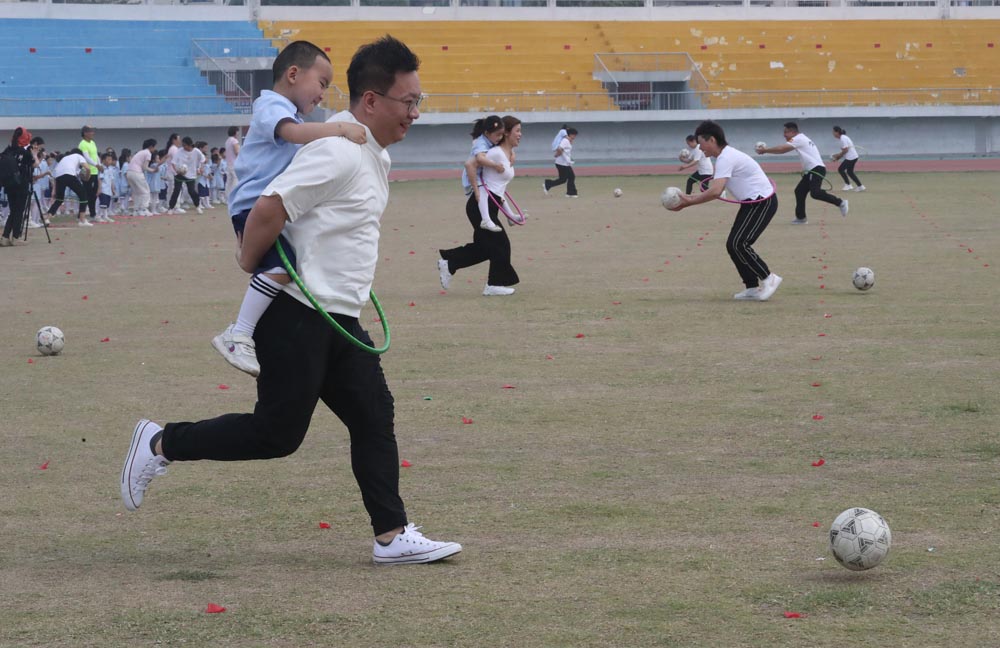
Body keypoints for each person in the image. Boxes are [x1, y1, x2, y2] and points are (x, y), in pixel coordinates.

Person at [120, 34, 461, 566]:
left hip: (340, 318)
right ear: (372, 100)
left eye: (419, 101)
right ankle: (161, 442)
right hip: (298, 314)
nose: (415, 113)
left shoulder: (372, 155)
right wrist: (249, 259)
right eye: (409, 101)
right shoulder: (337, 150)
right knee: (277, 434)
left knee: (374, 415)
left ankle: (391, 536)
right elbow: (269, 207)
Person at [211, 40, 367, 378]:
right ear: (293, 74)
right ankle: (238, 333)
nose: (323, 94)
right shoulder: (272, 106)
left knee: (283, 266)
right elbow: (295, 134)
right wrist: (340, 128)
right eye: (322, 83)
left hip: (267, 205)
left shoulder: (287, 111)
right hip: (254, 204)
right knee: (281, 268)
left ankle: (248, 329)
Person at [669, 120, 782, 302]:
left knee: (739, 244)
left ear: (712, 140)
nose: (700, 148)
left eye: (701, 143)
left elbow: (715, 191)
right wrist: (687, 199)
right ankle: (751, 288)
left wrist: (687, 202)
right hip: (751, 203)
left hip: (762, 202)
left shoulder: (726, 158)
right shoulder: (725, 157)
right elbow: (715, 189)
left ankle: (769, 278)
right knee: (733, 244)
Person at [439, 115, 522, 297]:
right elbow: (470, 164)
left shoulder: (504, 154)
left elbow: (498, 188)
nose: (520, 134)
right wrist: (476, 190)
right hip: (479, 204)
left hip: (490, 204)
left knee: (486, 247)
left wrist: (510, 215)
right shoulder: (494, 153)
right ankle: (494, 284)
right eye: (517, 131)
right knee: (501, 244)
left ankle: (451, 262)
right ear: (506, 133)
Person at [756, 122, 847, 224]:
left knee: (815, 193)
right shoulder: (801, 138)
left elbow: (782, 149)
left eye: (786, 132)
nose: (784, 135)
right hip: (811, 170)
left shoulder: (798, 138)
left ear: (792, 132)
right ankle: (801, 218)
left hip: (816, 169)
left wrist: (765, 150)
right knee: (799, 191)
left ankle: (840, 202)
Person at [460, 114, 505, 232]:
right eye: (498, 135)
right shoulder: (481, 143)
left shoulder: (490, 142)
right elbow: (479, 159)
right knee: (482, 194)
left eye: (502, 135)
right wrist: (495, 166)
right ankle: (486, 220)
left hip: (481, 176)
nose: (500, 138)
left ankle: (511, 216)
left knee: (499, 193)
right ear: (487, 133)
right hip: (473, 178)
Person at [0, 128, 37, 246]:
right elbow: (35, 164)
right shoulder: (24, 152)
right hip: (21, 184)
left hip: (9, 184)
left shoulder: (7, 150)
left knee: (13, 211)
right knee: (19, 210)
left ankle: (5, 237)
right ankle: (15, 237)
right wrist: (35, 154)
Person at [45, 149, 94, 227]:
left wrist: (54, 190)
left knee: (59, 199)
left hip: (58, 177)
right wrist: (88, 177)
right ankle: (82, 220)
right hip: (69, 175)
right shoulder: (79, 156)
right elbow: (88, 168)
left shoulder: (66, 158)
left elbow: (79, 174)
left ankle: (47, 218)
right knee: (83, 195)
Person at [167, 137, 206, 215]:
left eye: (185, 145)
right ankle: (171, 208)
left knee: (191, 191)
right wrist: (177, 171)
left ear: (190, 145)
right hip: (180, 174)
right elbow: (173, 163)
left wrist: (201, 168)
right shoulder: (179, 151)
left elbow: (203, 160)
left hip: (191, 174)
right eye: (183, 145)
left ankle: (197, 206)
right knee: (176, 191)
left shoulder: (196, 151)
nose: (183, 147)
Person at [126, 139, 158, 217]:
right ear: (151, 146)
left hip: (129, 172)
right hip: (137, 172)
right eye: (154, 147)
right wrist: (153, 170)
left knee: (137, 192)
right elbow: (145, 167)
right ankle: (143, 209)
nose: (155, 149)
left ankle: (136, 210)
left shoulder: (141, 152)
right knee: (146, 191)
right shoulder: (148, 153)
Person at [543, 126, 578, 197]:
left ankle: (548, 184)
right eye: (574, 135)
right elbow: (560, 149)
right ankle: (571, 193)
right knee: (571, 176)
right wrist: (556, 155)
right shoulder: (565, 141)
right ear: (570, 134)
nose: (575, 137)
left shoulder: (568, 141)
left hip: (563, 163)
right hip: (562, 163)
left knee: (563, 179)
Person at [78, 126, 101, 224]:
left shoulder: (93, 143)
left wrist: (99, 164)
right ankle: (80, 216)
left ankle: (92, 214)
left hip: (94, 171)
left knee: (94, 195)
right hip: (86, 171)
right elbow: (86, 157)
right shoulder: (82, 144)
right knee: (86, 194)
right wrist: (96, 165)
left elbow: (96, 156)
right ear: (85, 133)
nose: (93, 133)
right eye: (91, 131)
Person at [832, 126, 865, 192]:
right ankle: (860, 186)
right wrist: (837, 158)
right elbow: (844, 151)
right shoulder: (843, 138)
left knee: (841, 169)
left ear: (837, 132)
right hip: (853, 157)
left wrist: (837, 156)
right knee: (849, 172)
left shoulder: (843, 138)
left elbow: (845, 150)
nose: (833, 133)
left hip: (851, 157)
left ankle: (848, 185)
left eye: (833, 132)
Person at [97, 152, 117, 223]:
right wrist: (99, 189)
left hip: (108, 190)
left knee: (106, 204)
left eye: (111, 159)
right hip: (103, 189)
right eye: (108, 159)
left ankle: (105, 216)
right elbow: (100, 179)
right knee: (102, 204)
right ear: (103, 160)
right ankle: (98, 216)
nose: (110, 161)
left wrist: (113, 189)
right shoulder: (102, 168)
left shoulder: (110, 169)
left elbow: (111, 179)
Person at [224, 126, 241, 200]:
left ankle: (228, 197)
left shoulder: (227, 141)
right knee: (235, 180)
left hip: (229, 164)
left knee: (229, 182)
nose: (238, 133)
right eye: (237, 131)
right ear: (235, 132)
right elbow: (237, 152)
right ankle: (235, 195)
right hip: (235, 163)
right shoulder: (234, 141)